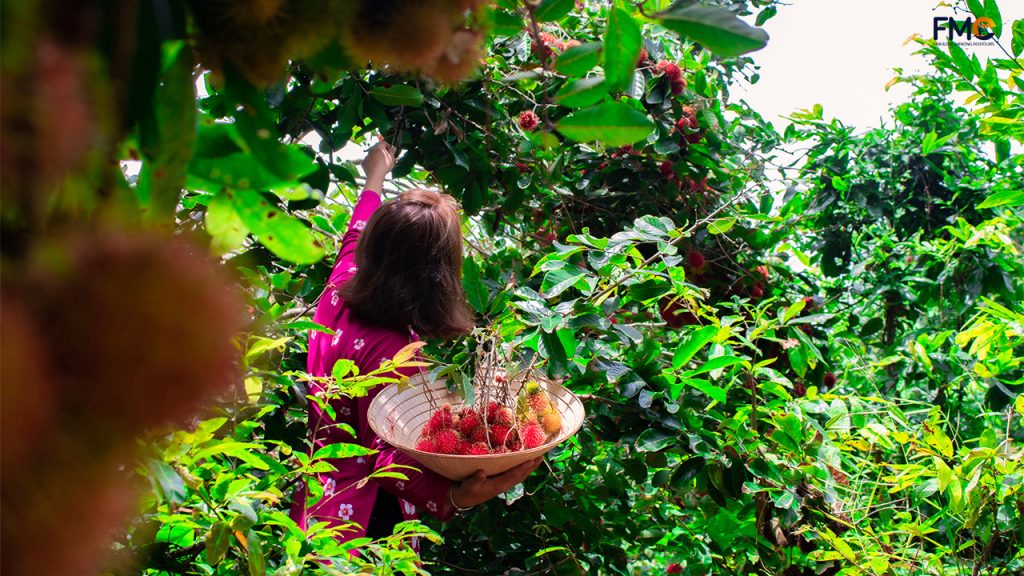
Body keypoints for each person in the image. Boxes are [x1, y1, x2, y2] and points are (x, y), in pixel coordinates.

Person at [290, 141, 541, 555]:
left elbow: (356, 230)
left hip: (316, 506)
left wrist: (376, 176)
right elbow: (384, 461)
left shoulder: (339, 288)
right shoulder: (397, 354)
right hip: (363, 528)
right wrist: (458, 497)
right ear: (439, 277)